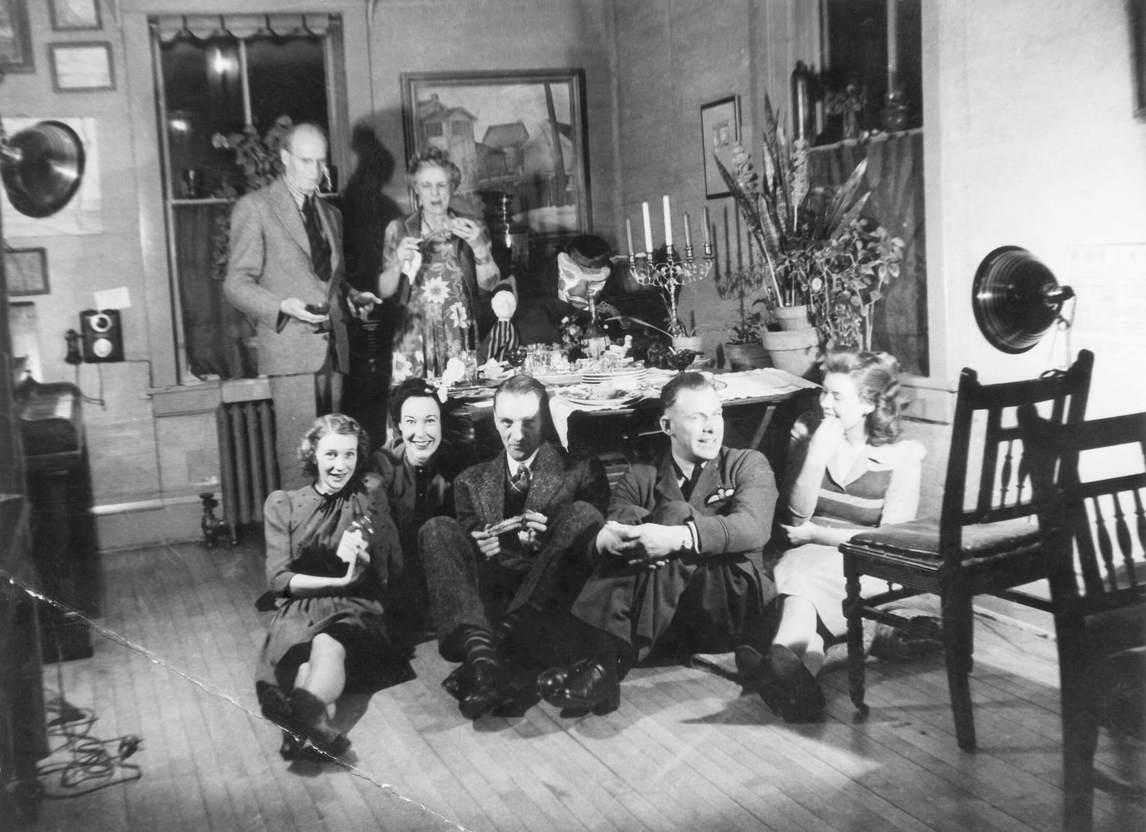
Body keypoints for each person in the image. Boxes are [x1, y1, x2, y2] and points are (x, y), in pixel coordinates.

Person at [537, 372, 778, 716]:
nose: (711, 426)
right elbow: (620, 533)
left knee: (676, 512)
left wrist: (674, 537)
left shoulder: (745, 464)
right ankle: (603, 667)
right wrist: (642, 539)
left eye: (717, 414)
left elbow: (753, 528)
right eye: (697, 417)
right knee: (632, 520)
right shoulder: (640, 476)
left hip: (728, 606)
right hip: (670, 621)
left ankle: (602, 661)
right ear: (667, 426)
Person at [736, 348, 926, 722]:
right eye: (824, 392)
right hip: (808, 557)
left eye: (837, 396)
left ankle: (776, 669)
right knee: (806, 605)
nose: (825, 404)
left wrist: (818, 535)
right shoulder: (810, 434)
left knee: (802, 577)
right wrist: (816, 455)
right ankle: (798, 682)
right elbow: (796, 515)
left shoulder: (903, 456)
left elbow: (889, 541)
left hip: (866, 565)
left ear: (869, 403)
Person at [419, 374, 610, 720]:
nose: (517, 435)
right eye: (506, 422)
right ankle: (485, 664)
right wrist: (480, 544)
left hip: (554, 601)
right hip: (493, 597)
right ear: (494, 419)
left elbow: (596, 546)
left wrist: (551, 535)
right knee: (436, 529)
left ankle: (488, 658)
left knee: (583, 514)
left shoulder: (580, 469)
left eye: (529, 422)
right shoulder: (470, 480)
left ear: (546, 419)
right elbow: (466, 541)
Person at [224, 123, 382, 490]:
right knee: (300, 462)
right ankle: (300, 544)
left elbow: (329, 280)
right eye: (306, 161)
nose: (315, 171)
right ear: (284, 159)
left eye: (321, 162)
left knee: (337, 457)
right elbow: (235, 283)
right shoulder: (256, 208)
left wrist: (352, 297)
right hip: (291, 352)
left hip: (333, 355)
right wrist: (282, 305)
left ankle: (333, 541)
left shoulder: (331, 215)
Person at [253, 414, 401, 759]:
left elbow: (391, 566)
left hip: (354, 604)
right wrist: (337, 579)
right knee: (305, 658)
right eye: (331, 454)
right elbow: (279, 580)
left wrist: (364, 556)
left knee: (327, 644)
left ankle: (295, 721)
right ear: (313, 454)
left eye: (349, 455)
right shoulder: (283, 504)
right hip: (299, 607)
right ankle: (310, 723)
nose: (340, 465)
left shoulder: (369, 495)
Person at [379, 148, 500, 384]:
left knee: (460, 410)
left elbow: (491, 284)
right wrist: (396, 263)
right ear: (416, 188)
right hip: (412, 336)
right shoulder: (399, 229)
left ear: (452, 187)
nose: (435, 193)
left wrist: (479, 247)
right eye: (426, 185)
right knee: (414, 409)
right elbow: (384, 291)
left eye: (442, 185)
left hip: (459, 334)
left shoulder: (471, 227)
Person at [368, 378, 468, 651]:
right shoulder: (383, 465)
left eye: (430, 421)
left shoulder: (454, 461)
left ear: (441, 423)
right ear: (398, 426)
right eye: (411, 422)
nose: (421, 433)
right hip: (395, 578)